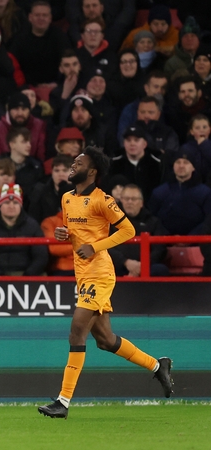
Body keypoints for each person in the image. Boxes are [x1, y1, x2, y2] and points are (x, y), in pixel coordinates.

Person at [37, 147, 173, 419]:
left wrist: (96, 246)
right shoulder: (66, 199)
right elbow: (78, 234)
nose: (72, 166)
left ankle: (63, 402)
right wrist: (65, 234)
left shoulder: (103, 200)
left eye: (78, 163)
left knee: (77, 330)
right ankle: (158, 366)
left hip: (99, 273)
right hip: (82, 273)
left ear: (93, 171)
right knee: (105, 340)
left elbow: (129, 230)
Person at [0, 183, 49, 276]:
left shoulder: (32, 225)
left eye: (15, 203)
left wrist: (27, 276)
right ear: (0, 205)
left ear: (21, 205)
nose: (11, 206)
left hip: (26, 274)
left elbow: (41, 256)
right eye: (6, 202)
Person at [109, 184, 169, 277]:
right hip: (118, 266)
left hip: (146, 266)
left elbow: (160, 249)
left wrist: (141, 266)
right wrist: (125, 262)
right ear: (121, 201)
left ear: (141, 203)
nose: (130, 202)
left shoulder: (153, 222)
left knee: (161, 270)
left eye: (133, 199)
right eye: (126, 199)